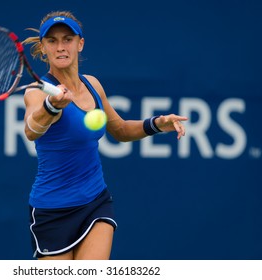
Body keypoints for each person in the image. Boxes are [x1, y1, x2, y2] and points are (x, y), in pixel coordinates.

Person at [22, 10, 188, 260]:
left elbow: (119, 130)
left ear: (80, 44)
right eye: (52, 41)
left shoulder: (93, 84)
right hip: (52, 210)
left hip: (95, 202)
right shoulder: (36, 92)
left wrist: (156, 124)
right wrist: (52, 106)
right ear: (43, 48)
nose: (60, 47)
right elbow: (31, 130)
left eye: (67, 39)